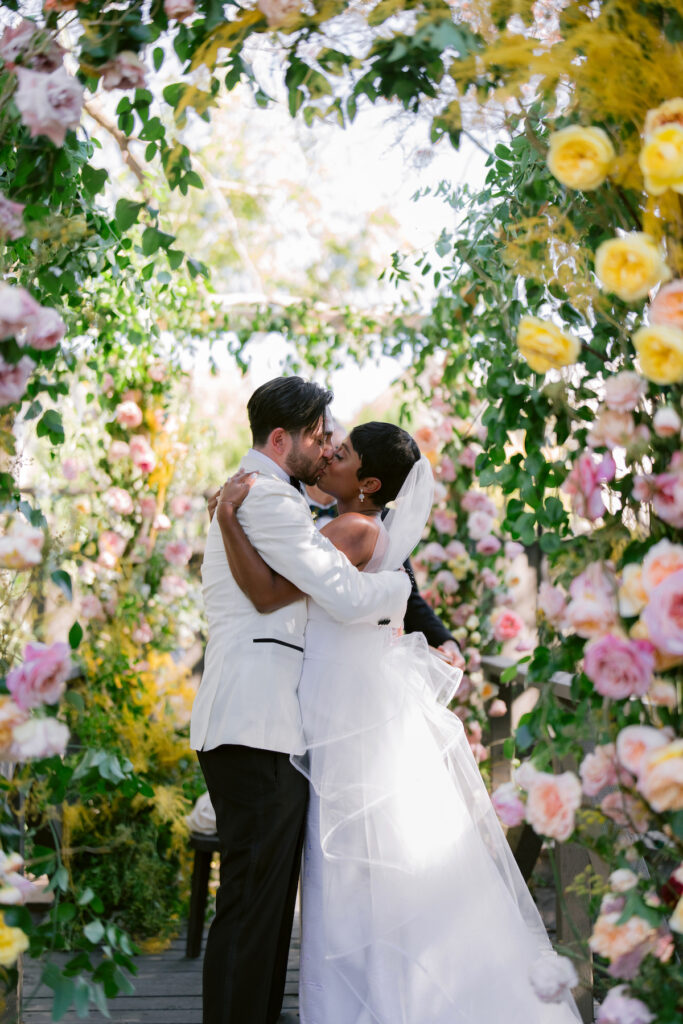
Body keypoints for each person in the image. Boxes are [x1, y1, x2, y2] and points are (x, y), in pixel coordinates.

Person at [214, 421, 582, 1024]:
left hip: (345, 712)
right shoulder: (366, 528)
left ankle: (382, 1000)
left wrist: (228, 518)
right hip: (351, 701)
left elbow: (268, 591)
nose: (332, 451)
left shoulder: (351, 529)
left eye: (346, 451)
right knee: (362, 858)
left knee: (355, 862)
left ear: (370, 483)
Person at [190, 379, 411, 1024]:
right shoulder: (266, 502)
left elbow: (309, 576)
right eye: (319, 435)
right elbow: (337, 591)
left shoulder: (270, 500)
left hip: (262, 724)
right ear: (281, 438)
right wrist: (396, 590)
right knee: (252, 901)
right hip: (254, 722)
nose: (327, 445)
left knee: (260, 901)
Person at [301, 424, 463, 668]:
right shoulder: (381, 529)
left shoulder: (356, 527)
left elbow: (282, 582)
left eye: (340, 454)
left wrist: (230, 520)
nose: (328, 455)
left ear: (369, 484)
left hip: (324, 666)